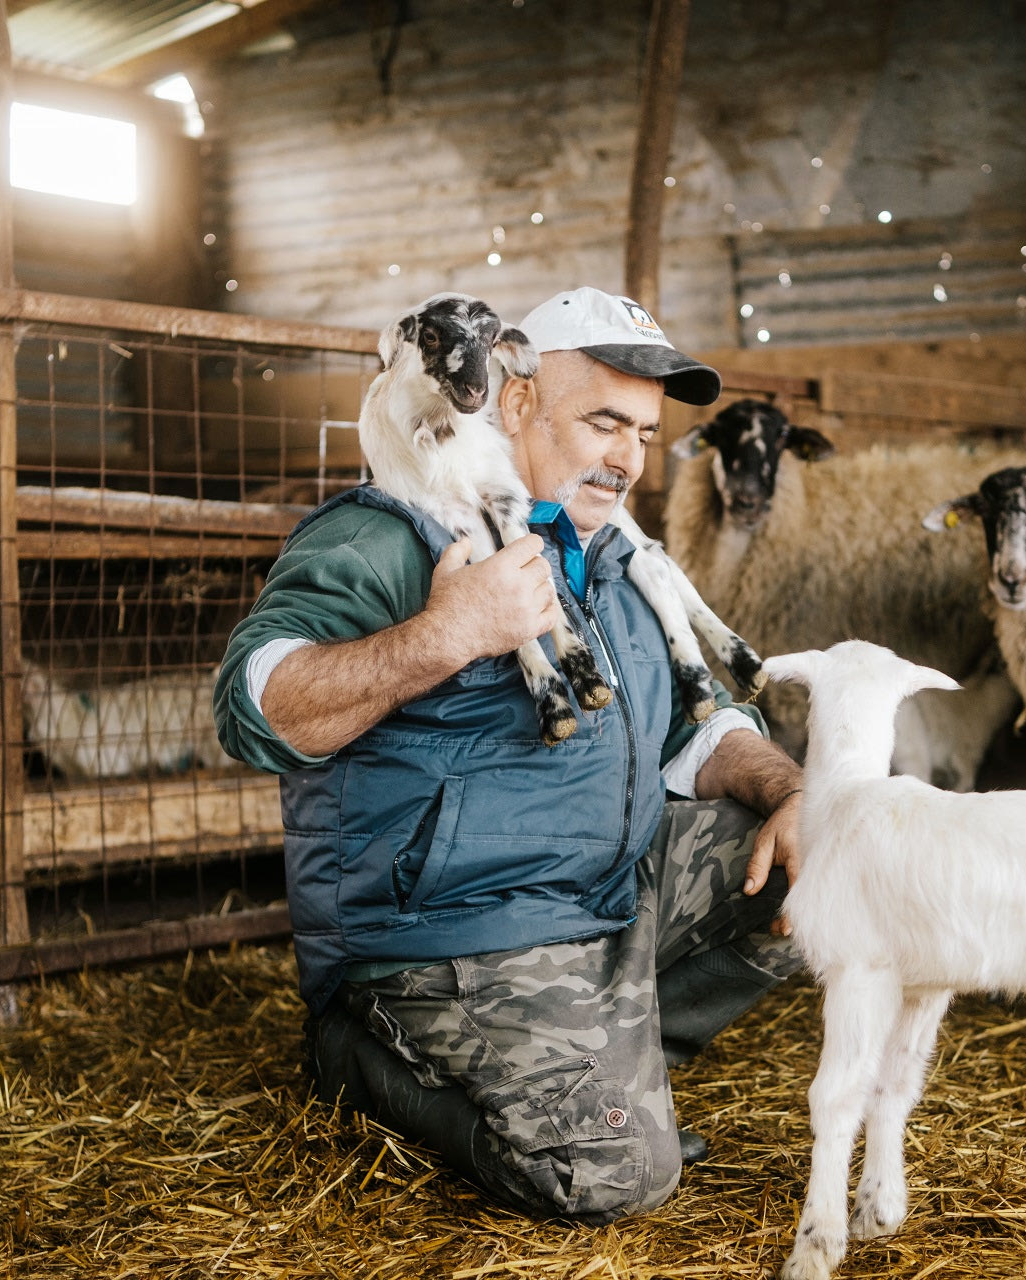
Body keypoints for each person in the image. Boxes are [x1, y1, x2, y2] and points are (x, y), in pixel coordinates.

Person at [214, 287, 805, 1222]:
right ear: (518, 402)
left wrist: (795, 790)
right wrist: (446, 634)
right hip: (448, 931)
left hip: (597, 899)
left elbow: (699, 730)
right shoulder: (389, 533)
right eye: (605, 422)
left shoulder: (608, 559)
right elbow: (253, 707)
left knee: (827, 874)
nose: (627, 459)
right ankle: (358, 1060)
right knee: (615, 1176)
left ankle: (611, 1073)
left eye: (645, 435)